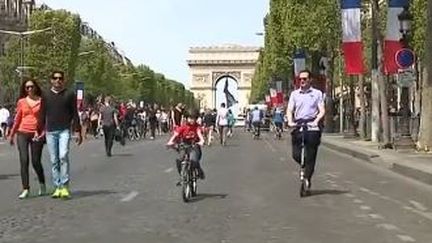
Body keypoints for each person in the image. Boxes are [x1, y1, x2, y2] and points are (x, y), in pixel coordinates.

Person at [39, 70, 83, 199]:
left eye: (60, 78)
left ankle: (65, 186)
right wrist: (39, 129)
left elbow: (75, 113)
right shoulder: (46, 95)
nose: (57, 80)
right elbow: (42, 113)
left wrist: (77, 130)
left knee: (63, 156)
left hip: (64, 130)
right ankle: (57, 187)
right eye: (55, 78)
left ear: (63, 80)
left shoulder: (69, 94)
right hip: (50, 131)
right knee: (54, 160)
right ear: (51, 80)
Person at [287, 69, 325, 190]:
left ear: (310, 80)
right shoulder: (294, 94)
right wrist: (290, 121)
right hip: (299, 124)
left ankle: (308, 176)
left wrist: (316, 120)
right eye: (300, 79)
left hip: (312, 125)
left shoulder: (317, 93)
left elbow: (322, 110)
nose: (301, 81)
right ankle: (304, 165)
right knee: (296, 154)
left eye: (304, 79)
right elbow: (289, 110)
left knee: (311, 154)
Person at [8, 78, 46, 199]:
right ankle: (25, 188)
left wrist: (42, 133)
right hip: (22, 133)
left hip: (37, 134)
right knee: (24, 160)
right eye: (27, 87)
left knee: (36, 162)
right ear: (24, 89)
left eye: (31, 86)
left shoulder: (42, 101)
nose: (29, 89)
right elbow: (17, 119)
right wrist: (12, 134)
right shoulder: (22, 102)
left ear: (36, 87)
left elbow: (45, 120)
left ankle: (42, 184)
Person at [166, 109, 205, 181]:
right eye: (190, 118)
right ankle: (182, 174)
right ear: (186, 118)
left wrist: (202, 141)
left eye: (193, 118)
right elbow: (176, 134)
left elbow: (199, 134)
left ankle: (198, 169)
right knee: (179, 159)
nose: (192, 120)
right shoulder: (183, 127)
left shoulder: (197, 127)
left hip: (194, 145)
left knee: (193, 160)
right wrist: (170, 142)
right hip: (184, 145)